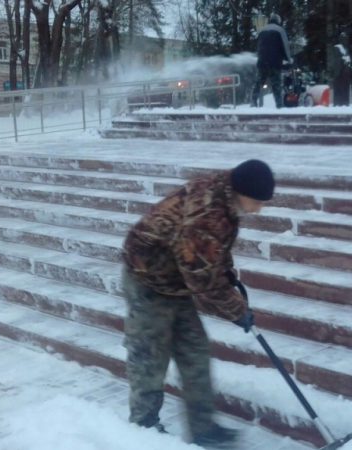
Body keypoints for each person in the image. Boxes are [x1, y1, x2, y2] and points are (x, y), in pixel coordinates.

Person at [121, 159, 275, 447]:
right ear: (241, 191)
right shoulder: (206, 212)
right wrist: (237, 311)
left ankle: (204, 429)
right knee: (149, 356)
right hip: (147, 280)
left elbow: (213, 252)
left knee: (195, 352)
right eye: (257, 201)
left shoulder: (225, 198)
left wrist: (228, 277)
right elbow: (202, 279)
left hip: (176, 281)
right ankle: (143, 430)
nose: (259, 208)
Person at [251, 13, 293, 108]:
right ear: (278, 21)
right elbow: (285, 46)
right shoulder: (280, 30)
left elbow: (259, 47)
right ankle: (279, 106)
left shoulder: (262, 30)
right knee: (276, 85)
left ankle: (253, 102)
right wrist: (289, 60)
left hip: (262, 62)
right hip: (275, 63)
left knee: (258, 83)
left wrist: (260, 58)